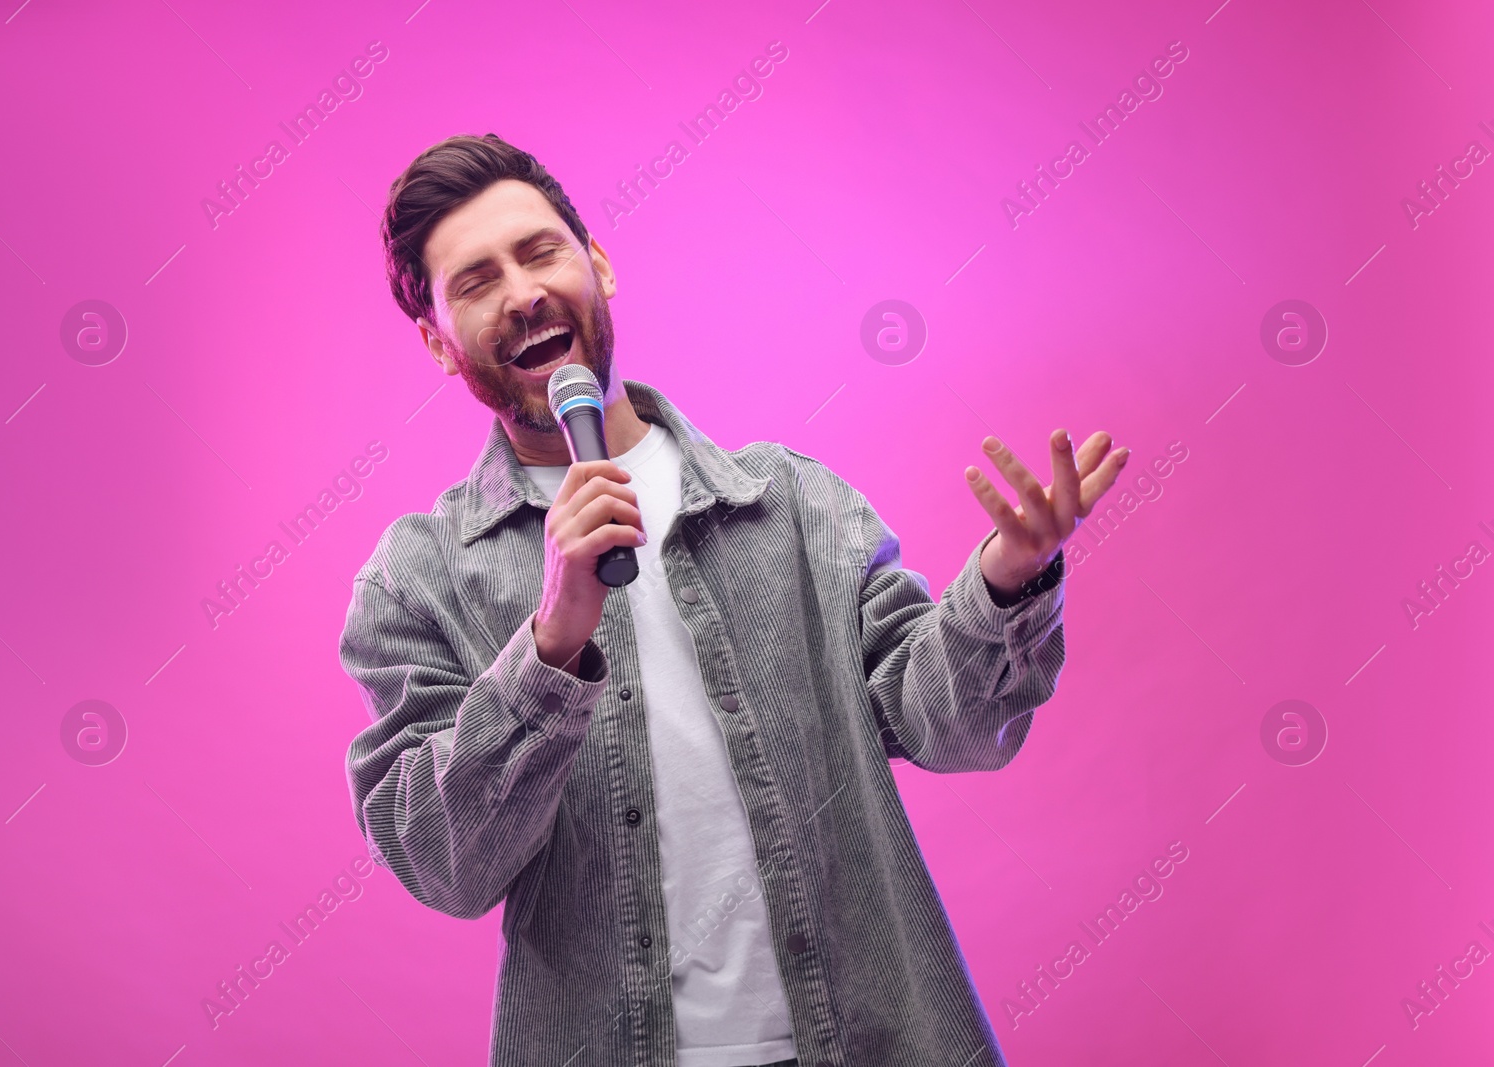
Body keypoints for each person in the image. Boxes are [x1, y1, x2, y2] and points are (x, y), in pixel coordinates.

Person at [340, 133, 1129, 1067]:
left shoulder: (790, 503)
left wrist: (1009, 576)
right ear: (438, 343)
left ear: (597, 264)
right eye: (474, 281)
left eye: (540, 250)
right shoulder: (418, 575)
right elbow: (447, 864)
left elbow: (950, 726)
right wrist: (550, 646)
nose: (522, 292)